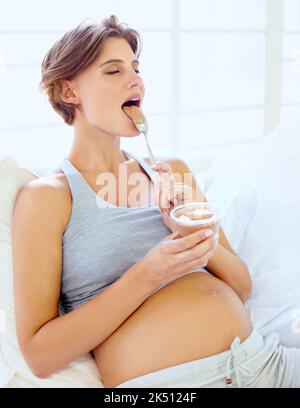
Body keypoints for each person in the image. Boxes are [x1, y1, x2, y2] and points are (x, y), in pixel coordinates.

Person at [12, 15, 300, 388]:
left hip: (263, 363)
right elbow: (39, 355)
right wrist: (150, 272)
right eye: (113, 71)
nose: (136, 80)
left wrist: (191, 233)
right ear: (70, 92)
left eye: (135, 68)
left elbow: (242, 286)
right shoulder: (47, 198)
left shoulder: (172, 173)